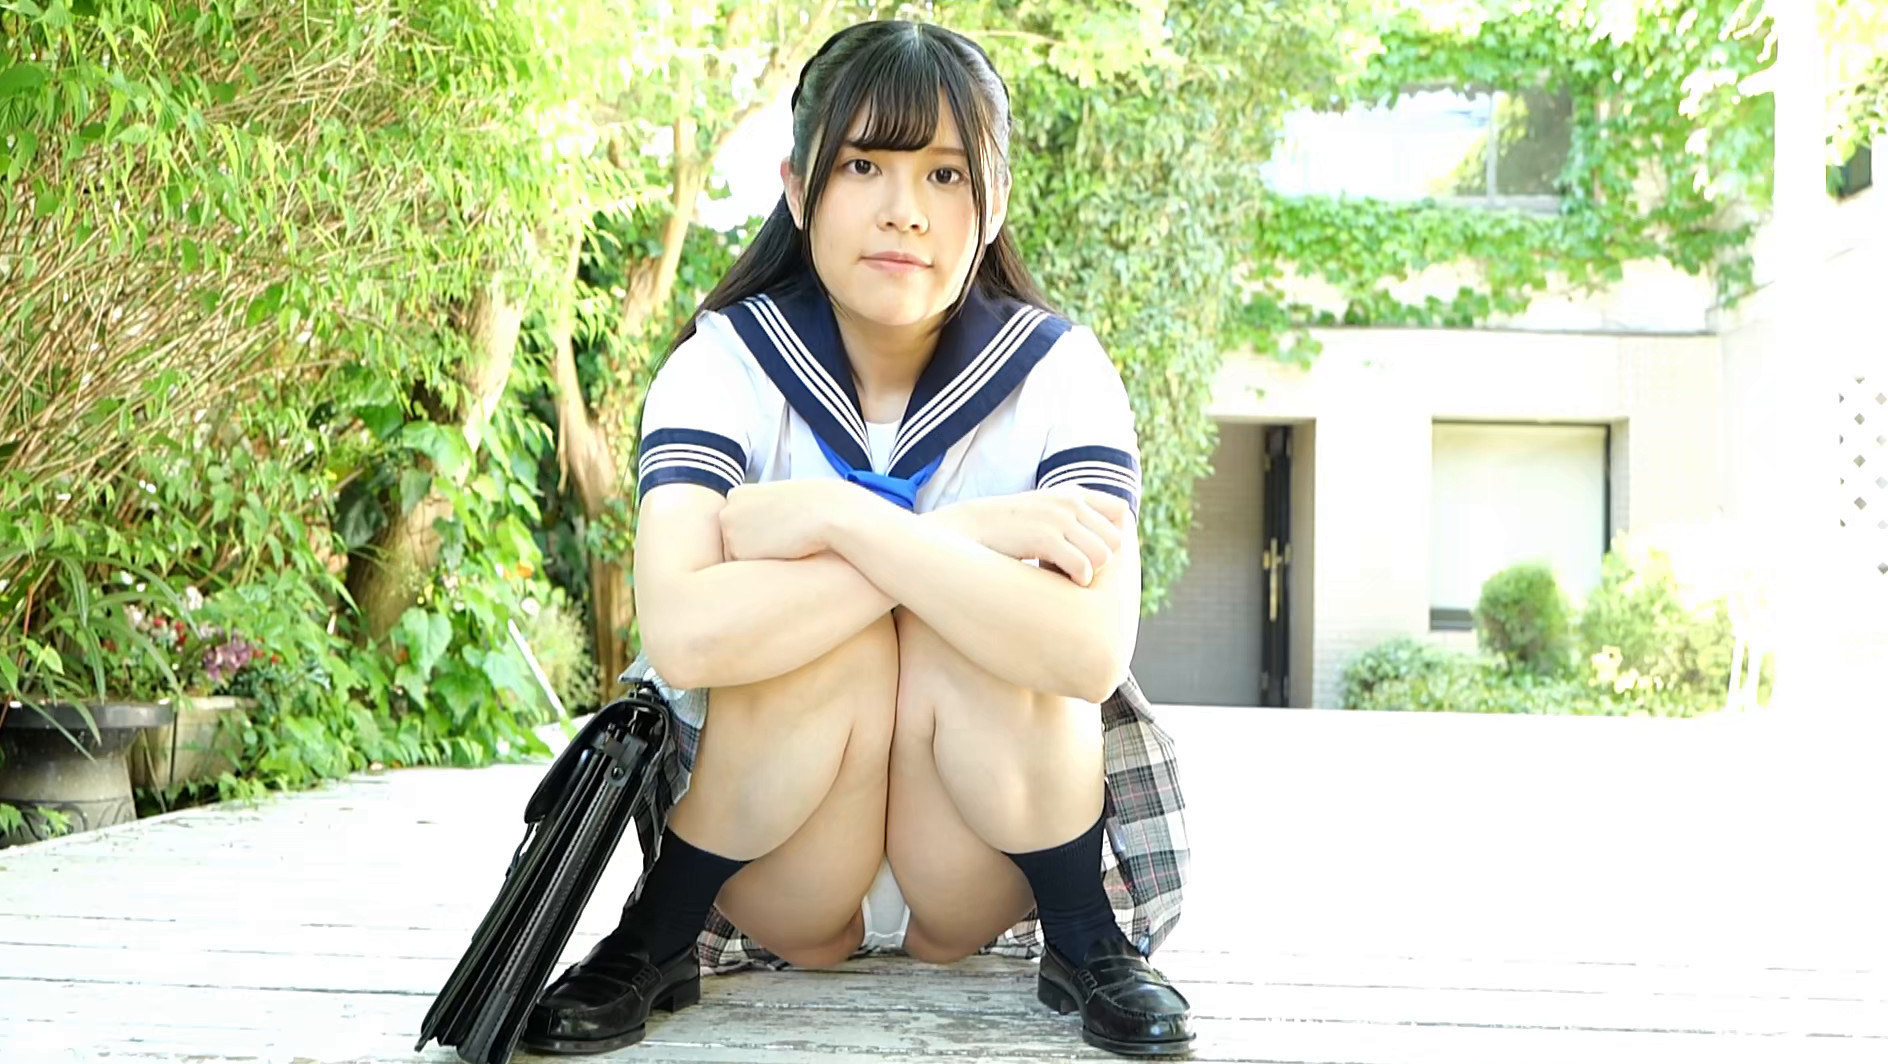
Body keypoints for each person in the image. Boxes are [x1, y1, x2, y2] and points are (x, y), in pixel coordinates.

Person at [521, 19, 1193, 1059]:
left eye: (945, 174)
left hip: (975, 867)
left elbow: (1089, 651)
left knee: (975, 626)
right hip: (783, 866)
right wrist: (958, 536)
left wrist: (836, 522)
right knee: (851, 627)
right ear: (798, 190)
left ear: (994, 202)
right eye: (863, 165)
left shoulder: (1058, 372)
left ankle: (1084, 937)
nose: (903, 210)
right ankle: (656, 935)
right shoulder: (725, 365)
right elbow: (685, 635)